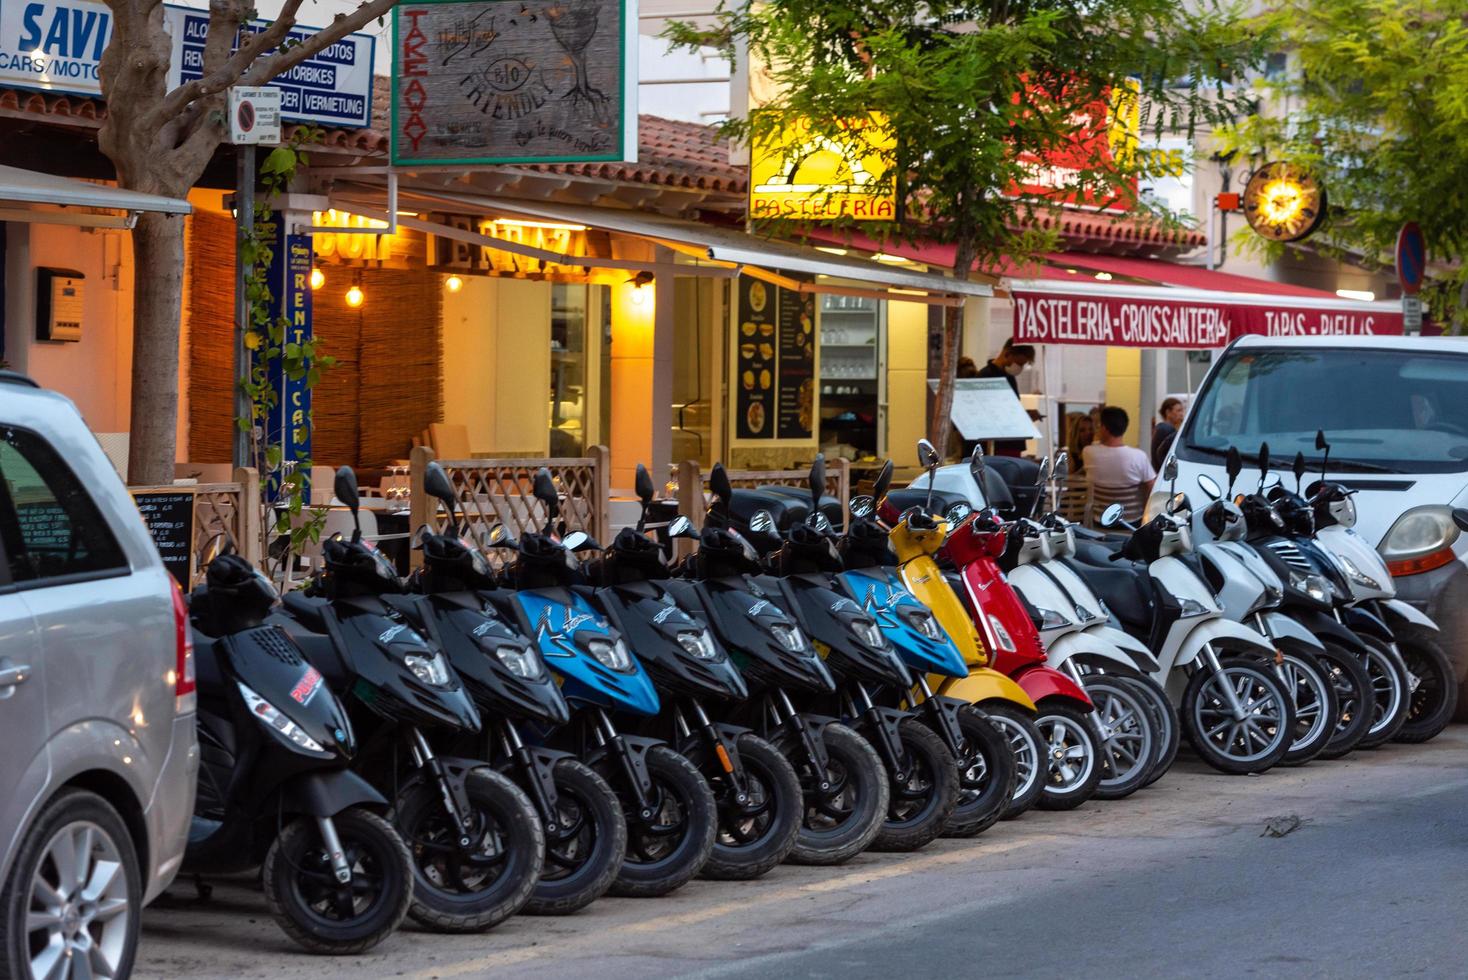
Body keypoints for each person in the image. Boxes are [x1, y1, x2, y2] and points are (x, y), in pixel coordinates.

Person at [976, 338, 1037, 456]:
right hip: (996, 444)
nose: (1019, 368)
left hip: (1012, 441)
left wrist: (1026, 414)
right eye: (1019, 363)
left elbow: (1011, 409)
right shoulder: (985, 377)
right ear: (1007, 353)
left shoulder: (1010, 377)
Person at [1082, 406, 1155, 496]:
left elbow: (1096, 444)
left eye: (1099, 426)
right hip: (1131, 510)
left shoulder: (1088, 452)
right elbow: (1152, 488)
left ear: (1104, 428)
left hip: (1100, 510)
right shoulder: (1139, 456)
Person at [1151, 397, 1186, 469]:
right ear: (1168, 412)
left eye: (1182, 411)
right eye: (1179, 411)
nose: (1182, 414)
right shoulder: (1166, 429)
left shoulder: (1160, 428)